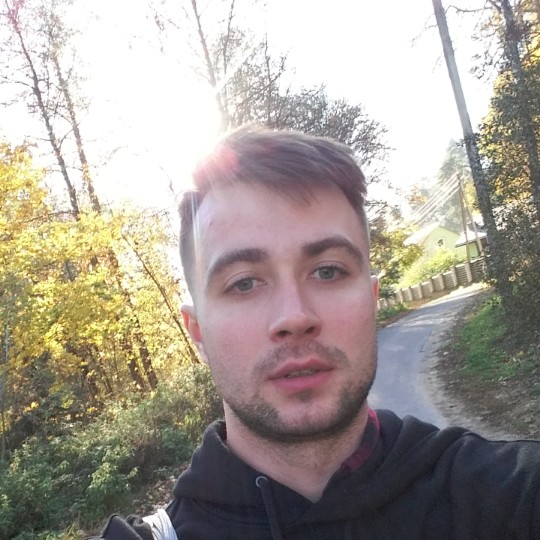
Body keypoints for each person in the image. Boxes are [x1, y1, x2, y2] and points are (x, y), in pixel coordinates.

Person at [94, 126, 540, 540]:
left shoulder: (508, 494)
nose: (294, 316)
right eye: (244, 283)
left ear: (371, 301)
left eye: (328, 271)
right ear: (198, 334)